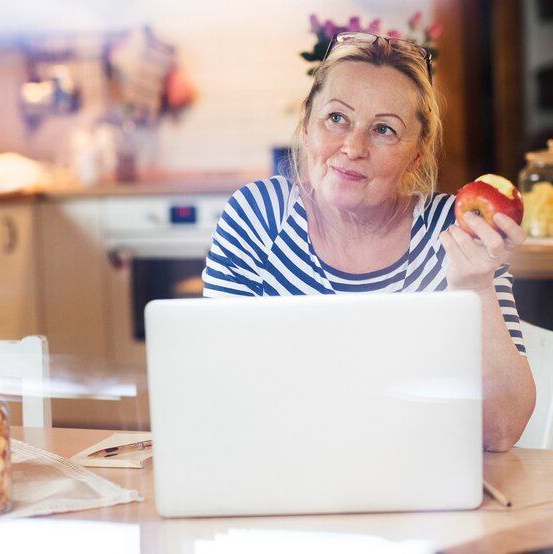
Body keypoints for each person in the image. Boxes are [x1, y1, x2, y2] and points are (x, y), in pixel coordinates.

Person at [203, 31, 535, 451]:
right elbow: (218, 395)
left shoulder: (453, 231)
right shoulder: (259, 216)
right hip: (284, 471)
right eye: (337, 119)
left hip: (421, 490)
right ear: (307, 125)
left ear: (416, 153)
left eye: (383, 130)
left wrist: (475, 287)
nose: (353, 147)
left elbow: (501, 430)